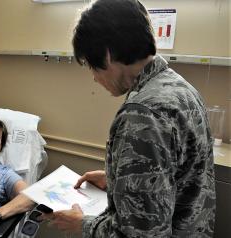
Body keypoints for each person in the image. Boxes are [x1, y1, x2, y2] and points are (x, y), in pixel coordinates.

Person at [46, 0, 216, 237]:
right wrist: (117, 181)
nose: (94, 78)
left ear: (106, 54)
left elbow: (140, 233)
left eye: (90, 66)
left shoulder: (142, 115)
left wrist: (82, 225)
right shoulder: (182, 89)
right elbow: (179, 177)